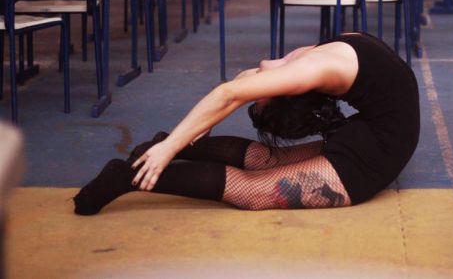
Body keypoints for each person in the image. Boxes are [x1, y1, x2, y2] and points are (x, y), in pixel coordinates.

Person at [73, 33, 420, 214]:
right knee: (270, 161)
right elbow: (237, 87)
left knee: (256, 191)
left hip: (380, 153)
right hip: (371, 130)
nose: (257, 95)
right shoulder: (304, 67)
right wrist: (177, 141)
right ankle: (158, 150)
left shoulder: (311, 65)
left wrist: (174, 144)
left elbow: (232, 92)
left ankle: (127, 177)